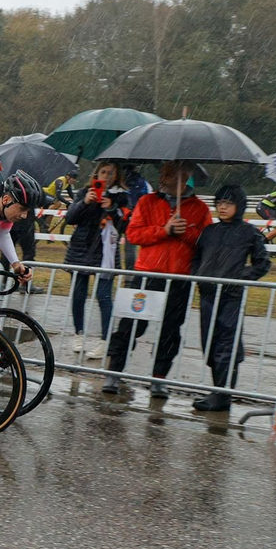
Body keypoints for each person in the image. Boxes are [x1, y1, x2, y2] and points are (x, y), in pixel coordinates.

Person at [102, 160, 209, 397]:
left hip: (179, 278)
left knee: (171, 331)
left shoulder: (200, 208)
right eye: (163, 172)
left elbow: (206, 241)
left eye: (170, 174)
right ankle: (114, 372)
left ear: (185, 176)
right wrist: (164, 230)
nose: (163, 177)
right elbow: (134, 233)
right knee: (130, 326)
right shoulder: (147, 201)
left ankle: (159, 377)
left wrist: (186, 233)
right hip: (147, 275)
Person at [188, 185, 270, 412]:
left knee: (228, 343)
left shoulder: (249, 232)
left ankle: (223, 393)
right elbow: (196, 258)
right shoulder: (209, 231)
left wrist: (240, 277)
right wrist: (198, 275)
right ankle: (218, 390)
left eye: (229, 203)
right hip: (207, 294)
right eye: (220, 203)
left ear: (239, 206)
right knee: (211, 343)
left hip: (231, 296)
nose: (223, 207)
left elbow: (262, 263)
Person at [63, 161, 129, 360]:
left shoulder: (122, 196)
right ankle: (78, 333)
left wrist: (112, 208)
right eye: (103, 172)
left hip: (106, 251)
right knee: (79, 294)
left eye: (111, 173)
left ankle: (104, 339)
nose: (106, 176)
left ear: (116, 176)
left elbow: (124, 225)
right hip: (81, 249)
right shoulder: (85, 192)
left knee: (104, 296)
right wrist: (85, 202)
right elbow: (70, 218)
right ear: (96, 173)